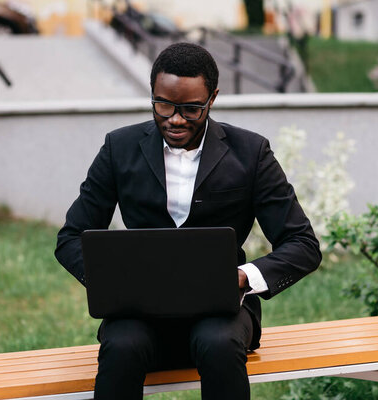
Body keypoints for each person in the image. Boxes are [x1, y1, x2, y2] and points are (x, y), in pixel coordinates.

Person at [55, 42, 321, 400]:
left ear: (212, 99)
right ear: (152, 94)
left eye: (191, 108)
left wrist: (242, 278)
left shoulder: (251, 153)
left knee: (218, 343)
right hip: (138, 312)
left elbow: (302, 244)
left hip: (223, 313)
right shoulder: (119, 148)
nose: (175, 118)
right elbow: (71, 236)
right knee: (121, 346)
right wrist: (108, 281)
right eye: (163, 104)